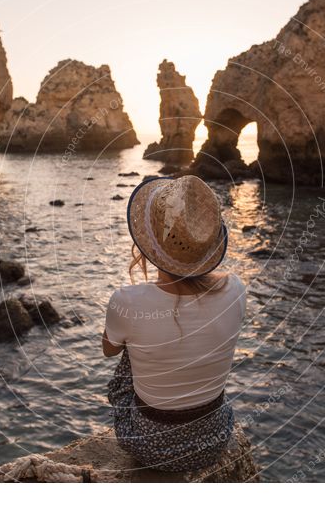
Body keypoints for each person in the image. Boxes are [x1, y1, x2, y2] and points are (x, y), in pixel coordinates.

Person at [102, 175, 247, 472]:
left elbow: (109, 349)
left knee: (131, 348)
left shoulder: (127, 301)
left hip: (149, 446)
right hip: (213, 439)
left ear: (150, 247)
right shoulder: (236, 288)